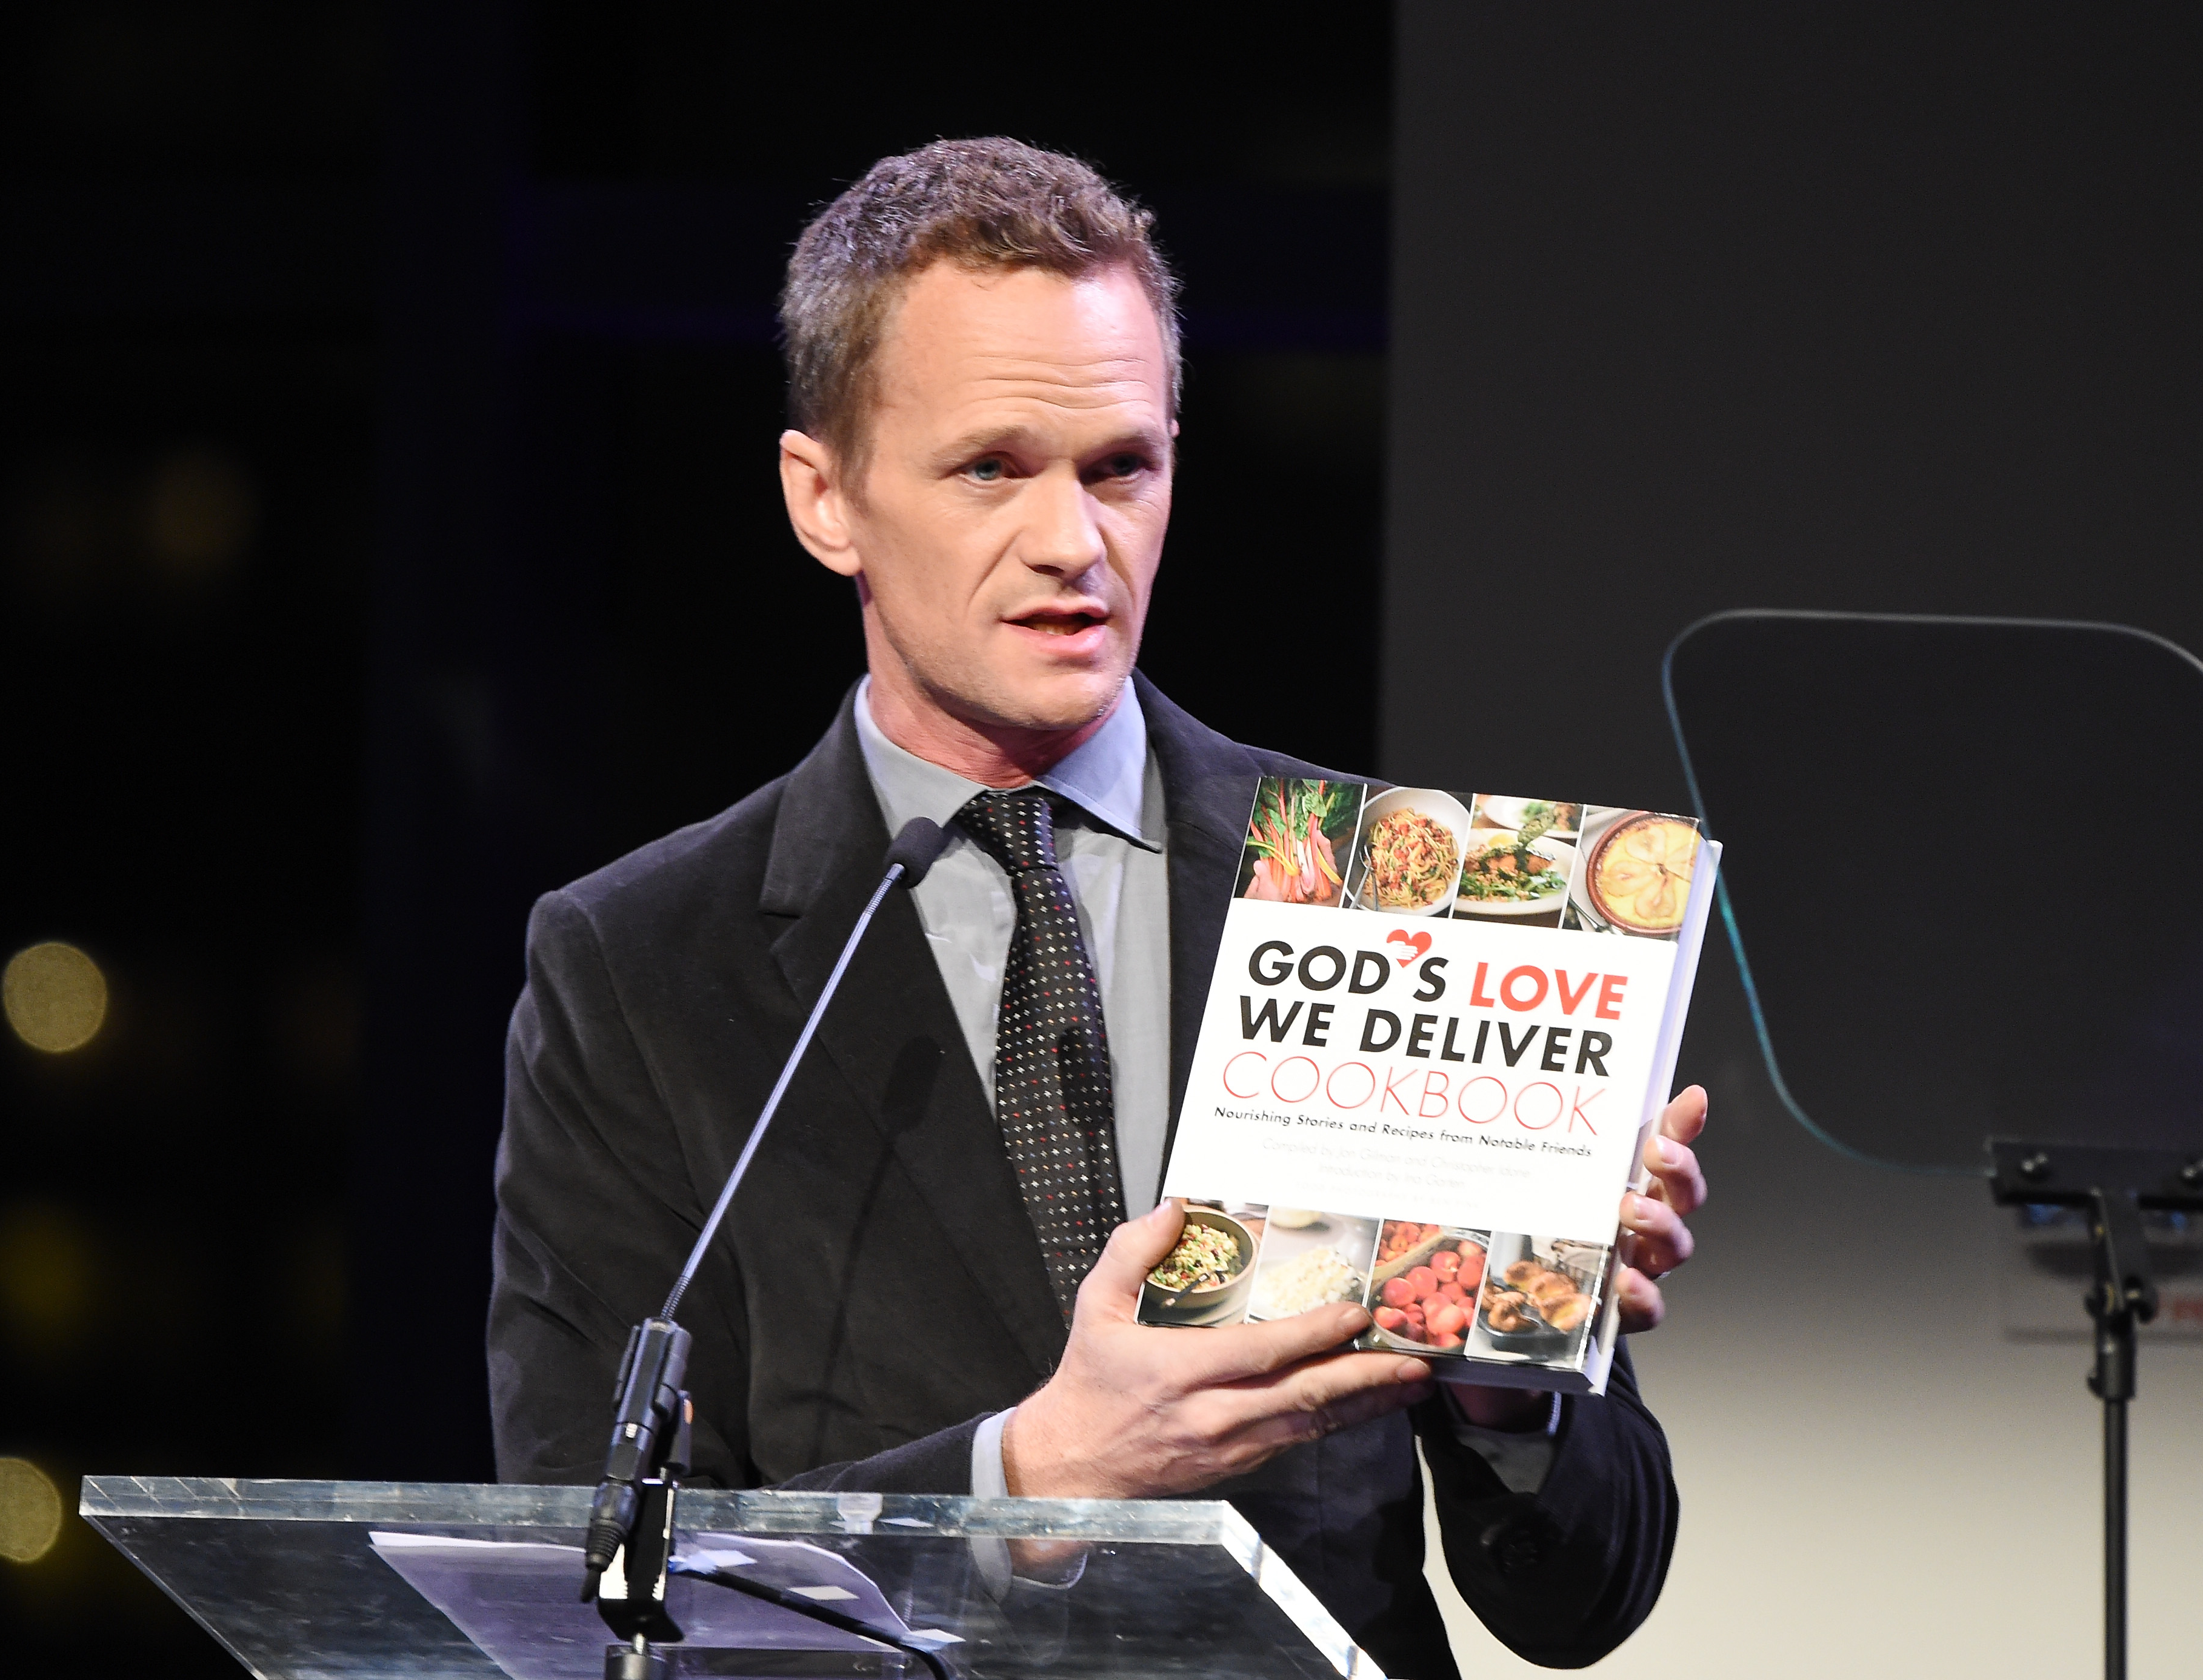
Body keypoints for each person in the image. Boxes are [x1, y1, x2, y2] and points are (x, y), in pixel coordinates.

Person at [489, 138, 1707, 1676]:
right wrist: (1030, 1480)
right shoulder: (638, 965)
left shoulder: (1388, 891)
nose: (1072, 542)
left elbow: (1583, 1598)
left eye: (1119, 467)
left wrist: (1503, 1362)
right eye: (991, 468)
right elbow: (593, 1569)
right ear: (825, 499)